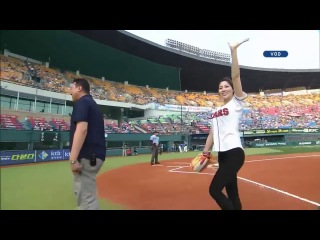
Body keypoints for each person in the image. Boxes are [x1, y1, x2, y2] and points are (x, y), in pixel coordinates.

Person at [203, 38, 249, 210]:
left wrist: (233, 51)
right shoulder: (215, 110)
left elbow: (235, 76)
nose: (223, 89)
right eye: (220, 87)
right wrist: (205, 152)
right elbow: (212, 134)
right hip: (222, 155)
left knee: (214, 190)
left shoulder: (237, 102)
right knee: (233, 194)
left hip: (234, 153)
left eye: (226, 86)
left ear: (232, 88)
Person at [69, 78, 106, 210]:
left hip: (87, 155)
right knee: (86, 198)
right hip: (94, 155)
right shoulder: (92, 104)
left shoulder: (82, 102)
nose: (70, 91)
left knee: (86, 201)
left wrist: (73, 159)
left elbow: (82, 129)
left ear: (79, 88)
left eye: (72, 87)